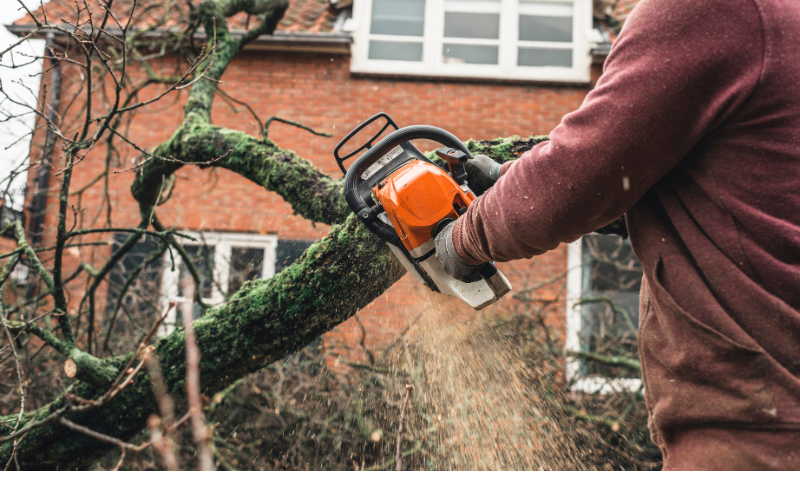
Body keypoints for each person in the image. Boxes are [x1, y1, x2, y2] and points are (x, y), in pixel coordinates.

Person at [434, 0, 800, 470]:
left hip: (757, 432)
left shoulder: (713, 9)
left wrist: (464, 239)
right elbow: (730, 187)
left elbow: (586, 174)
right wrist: (509, 178)